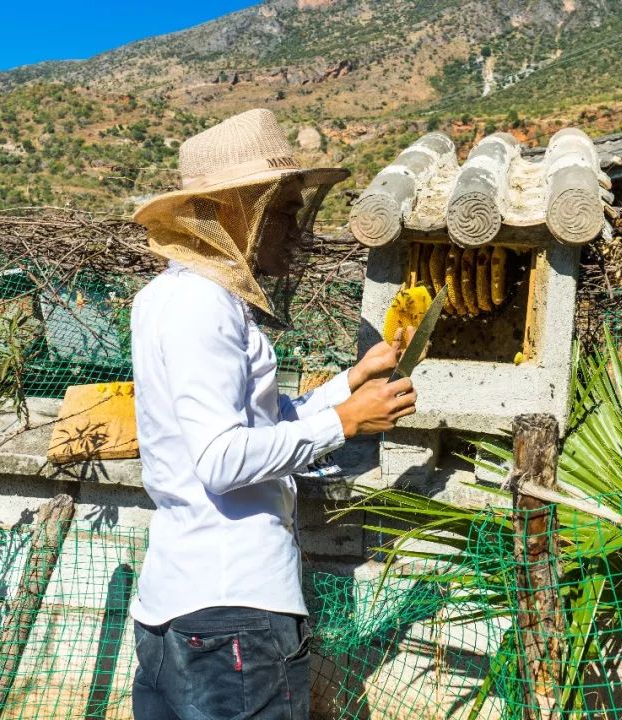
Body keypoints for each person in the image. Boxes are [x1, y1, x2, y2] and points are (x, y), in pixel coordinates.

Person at [128, 108, 416, 719]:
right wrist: (345, 423)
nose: (297, 229)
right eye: (283, 210)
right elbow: (221, 458)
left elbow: (257, 423)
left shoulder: (166, 299)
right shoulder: (205, 307)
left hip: (175, 606)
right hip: (233, 617)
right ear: (239, 210)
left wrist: (349, 385)